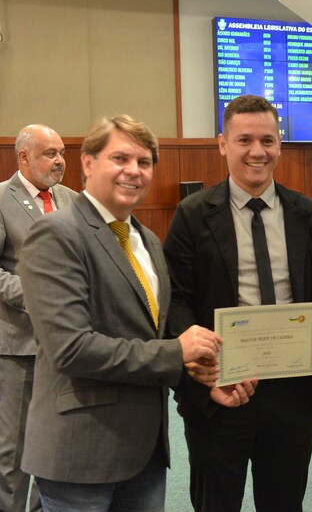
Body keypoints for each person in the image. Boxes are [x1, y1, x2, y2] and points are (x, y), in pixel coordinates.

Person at [18, 115, 222, 511]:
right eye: (120, 158)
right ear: (88, 163)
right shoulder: (56, 233)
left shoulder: (148, 241)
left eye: (144, 162)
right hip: (80, 452)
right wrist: (177, 352)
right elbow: (71, 349)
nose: (134, 170)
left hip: (145, 451)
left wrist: (199, 376)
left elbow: (151, 338)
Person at [163, 94, 312, 512]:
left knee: (284, 502)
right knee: (215, 502)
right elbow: (176, 298)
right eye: (244, 140)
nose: (257, 151)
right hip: (221, 386)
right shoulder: (193, 214)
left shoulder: (305, 214)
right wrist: (197, 352)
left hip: (291, 390)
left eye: (267, 140)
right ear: (223, 144)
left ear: (280, 144)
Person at [0, 125, 77, 512]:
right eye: (50, 153)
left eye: (61, 153)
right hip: (19, 346)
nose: (60, 161)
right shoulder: (1, 198)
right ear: (23, 157)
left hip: (69, 348)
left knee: (55, 447)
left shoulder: (73, 200)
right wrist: (38, 296)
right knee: (13, 453)